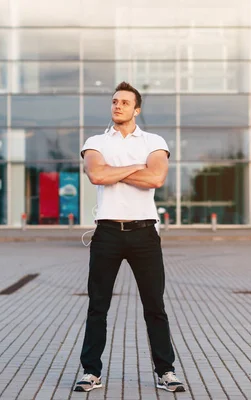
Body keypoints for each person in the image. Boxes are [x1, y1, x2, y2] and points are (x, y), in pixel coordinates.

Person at [74, 82, 185, 393]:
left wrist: (117, 170)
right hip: (107, 232)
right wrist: (138, 166)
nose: (117, 106)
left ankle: (166, 371)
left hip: (144, 234)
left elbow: (156, 178)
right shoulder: (95, 141)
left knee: (155, 306)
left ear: (137, 109)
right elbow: (97, 175)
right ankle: (90, 372)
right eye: (114, 101)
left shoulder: (154, 141)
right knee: (98, 306)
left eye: (124, 102)